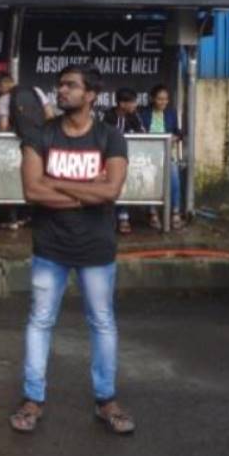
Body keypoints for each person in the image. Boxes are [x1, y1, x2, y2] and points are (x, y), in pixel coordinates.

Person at [10, 65, 134, 436]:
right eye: (60, 85)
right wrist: (86, 194)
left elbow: (111, 192)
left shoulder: (111, 137)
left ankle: (106, 399)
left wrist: (56, 182)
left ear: (91, 94)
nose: (61, 91)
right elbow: (32, 191)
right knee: (40, 321)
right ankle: (33, 399)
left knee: (102, 322)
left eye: (70, 86)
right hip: (50, 246)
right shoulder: (39, 135)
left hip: (96, 248)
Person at [137, 83, 184, 229]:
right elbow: (138, 132)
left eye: (166, 99)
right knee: (150, 177)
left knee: (174, 175)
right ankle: (152, 213)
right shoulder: (143, 113)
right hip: (147, 156)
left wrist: (175, 138)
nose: (163, 102)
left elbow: (179, 133)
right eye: (159, 99)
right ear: (152, 99)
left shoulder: (171, 113)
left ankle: (175, 212)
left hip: (166, 154)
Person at [103, 87, 143, 234]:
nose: (134, 105)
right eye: (132, 102)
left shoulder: (134, 116)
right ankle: (110, 218)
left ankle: (123, 216)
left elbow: (142, 134)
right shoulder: (109, 116)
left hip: (131, 159)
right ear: (122, 104)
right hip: (109, 161)